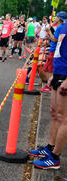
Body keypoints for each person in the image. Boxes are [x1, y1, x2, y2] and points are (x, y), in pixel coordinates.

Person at [30, 14, 67, 170]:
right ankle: (50, 148)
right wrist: (53, 74)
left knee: (64, 118)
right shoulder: (63, 25)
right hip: (58, 72)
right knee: (54, 113)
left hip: (65, 74)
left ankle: (55, 158)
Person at [41, 12, 66, 92]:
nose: (54, 18)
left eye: (56, 17)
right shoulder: (62, 27)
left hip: (54, 50)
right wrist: (49, 36)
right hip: (54, 49)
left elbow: (55, 39)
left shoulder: (60, 27)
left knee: (49, 69)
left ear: (59, 18)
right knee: (48, 68)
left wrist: (49, 31)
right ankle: (49, 84)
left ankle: (49, 85)